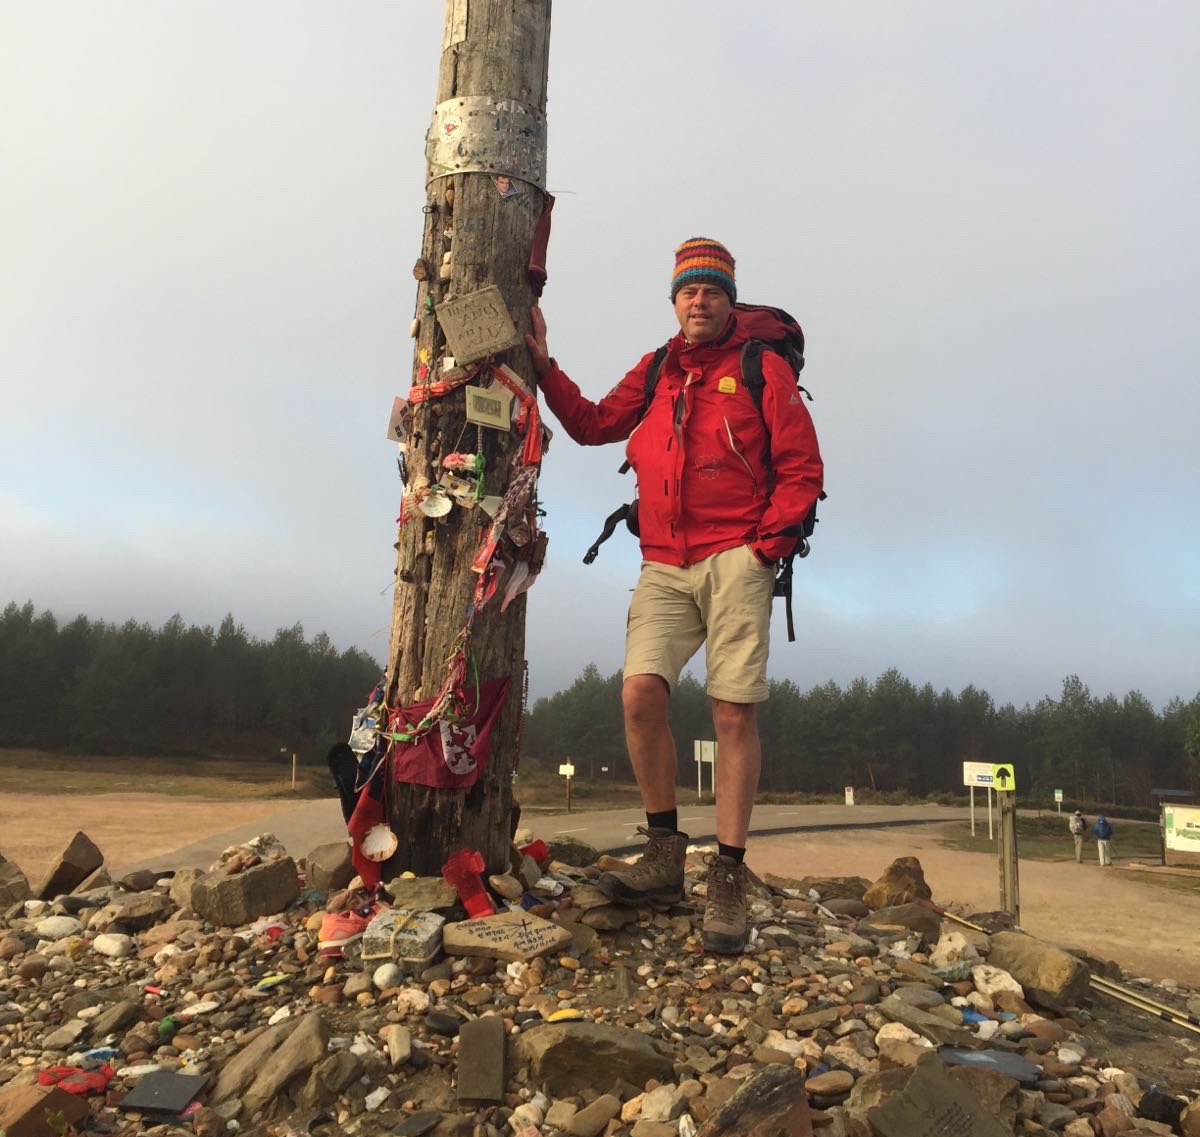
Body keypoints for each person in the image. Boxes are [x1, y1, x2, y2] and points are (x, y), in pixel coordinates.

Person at [525, 237, 824, 953]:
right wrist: (541, 364)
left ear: (730, 301)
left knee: (730, 713)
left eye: (713, 291)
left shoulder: (762, 368)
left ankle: (726, 872)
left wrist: (764, 551)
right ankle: (664, 853)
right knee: (639, 696)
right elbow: (596, 423)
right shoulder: (659, 367)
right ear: (674, 300)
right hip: (662, 559)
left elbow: (802, 466)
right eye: (689, 290)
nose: (700, 301)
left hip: (736, 558)